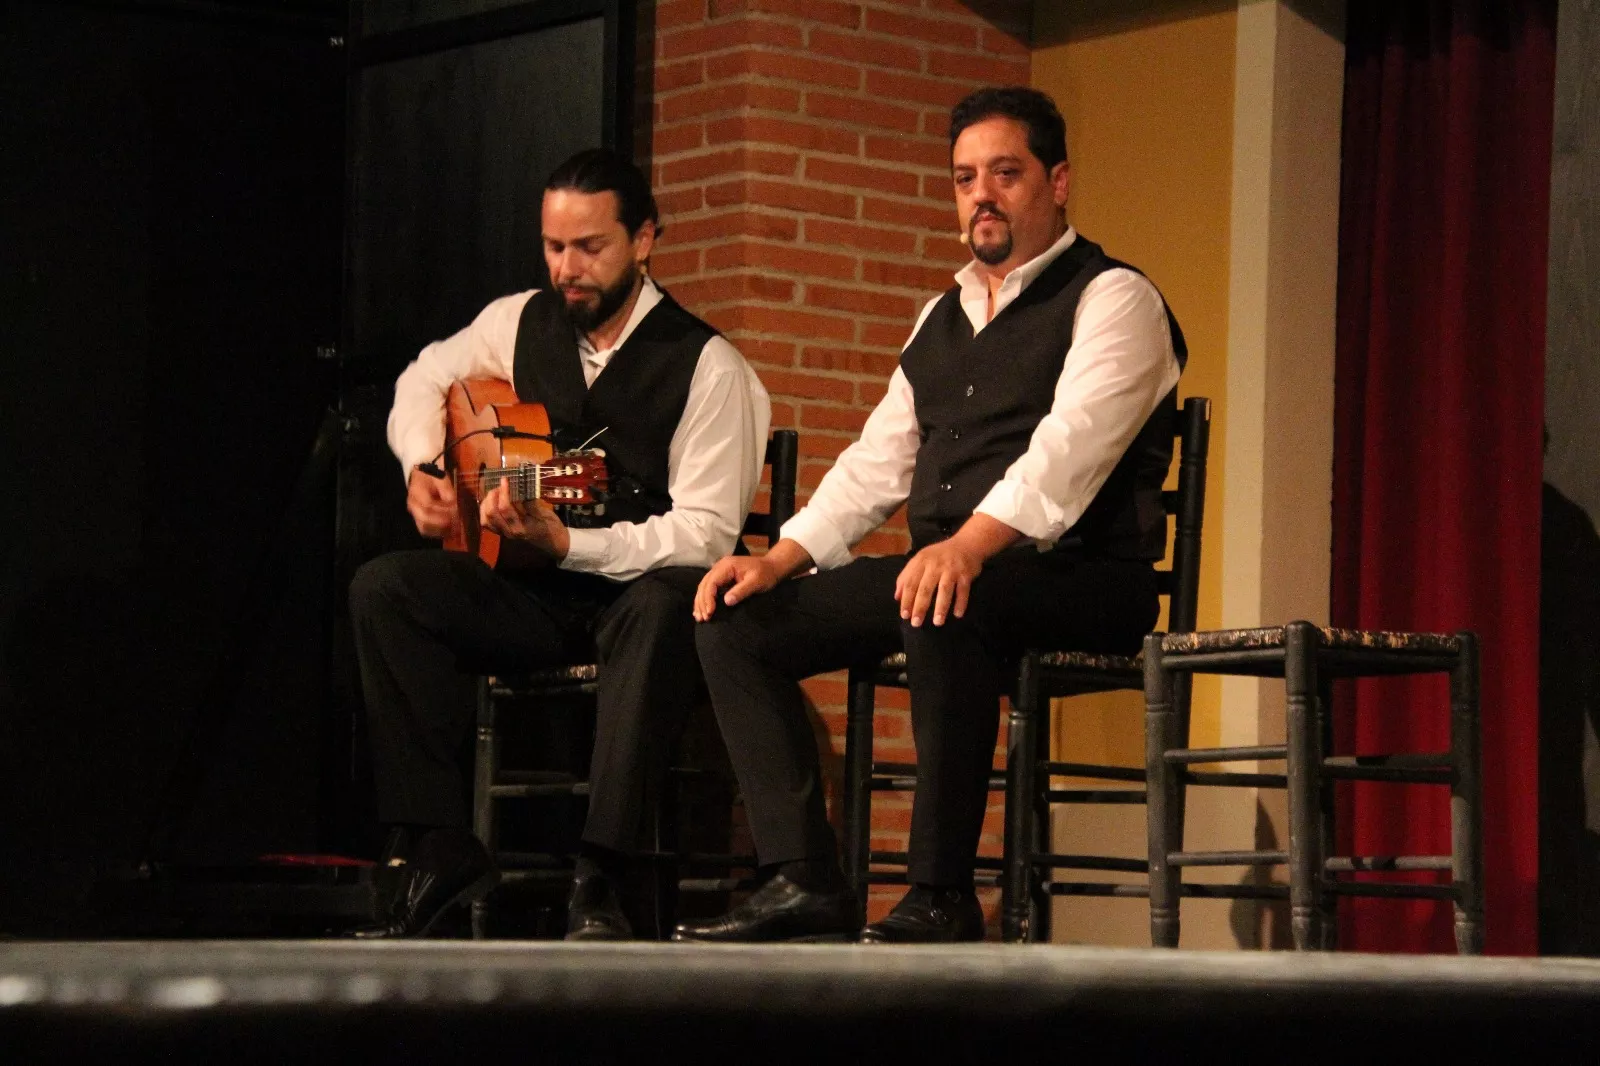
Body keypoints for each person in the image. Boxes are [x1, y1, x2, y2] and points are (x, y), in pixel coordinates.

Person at [672, 87, 1187, 944]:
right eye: (963, 178)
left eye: (1005, 174)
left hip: (1086, 576)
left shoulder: (1115, 298)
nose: (980, 194)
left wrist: (969, 546)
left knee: (942, 594)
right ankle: (804, 878)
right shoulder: (939, 317)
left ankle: (943, 891)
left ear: (1057, 183)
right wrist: (779, 558)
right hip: (951, 571)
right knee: (736, 623)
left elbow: (1070, 451)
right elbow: (877, 461)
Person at [347, 148, 770, 939]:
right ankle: (439, 841)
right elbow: (423, 378)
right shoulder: (516, 321)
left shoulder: (710, 369)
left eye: (589, 248)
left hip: (633, 600)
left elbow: (707, 535)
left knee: (657, 607)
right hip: (532, 594)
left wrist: (574, 544)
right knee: (385, 589)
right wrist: (424, 464)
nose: (566, 268)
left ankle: (602, 876)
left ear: (644, 240)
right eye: (552, 247)